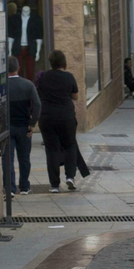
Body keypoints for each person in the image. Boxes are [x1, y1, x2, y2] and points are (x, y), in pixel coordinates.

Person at [35, 49, 81, 193]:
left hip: (47, 117)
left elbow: (38, 93)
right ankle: (70, 177)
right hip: (66, 116)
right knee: (69, 146)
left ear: (51, 62)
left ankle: (54, 185)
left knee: (52, 150)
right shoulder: (69, 77)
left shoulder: (43, 77)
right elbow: (75, 97)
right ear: (64, 62)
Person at [3, 56, 40, 196]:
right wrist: (32, 123)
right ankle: (24, 187)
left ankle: (10, 188)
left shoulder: (2, 86)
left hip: (7, 128)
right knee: (24, 158)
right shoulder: (28, 85)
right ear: (18, 68)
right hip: (24, 127)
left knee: (8, 158)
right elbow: (37, 105)